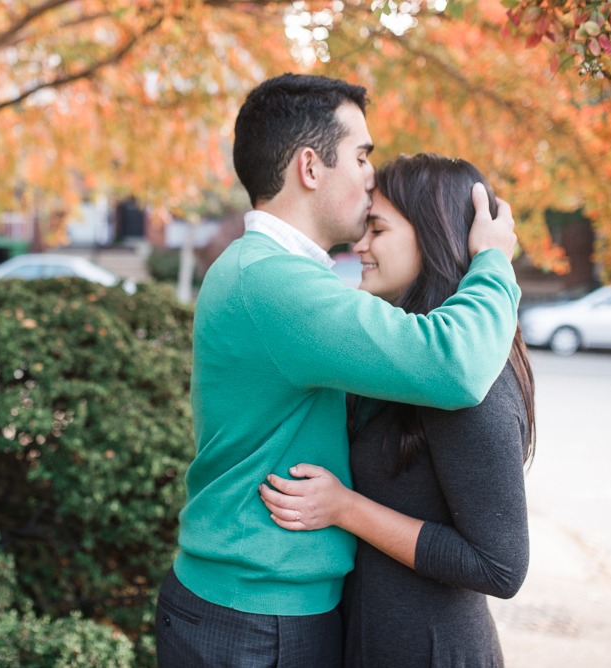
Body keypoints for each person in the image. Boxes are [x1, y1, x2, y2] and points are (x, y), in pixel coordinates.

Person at [155, 74, 520, 668]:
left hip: (255, 609)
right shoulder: (274, 284)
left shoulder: (268, 273)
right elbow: (454, 363)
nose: (371, 175)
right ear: (309, 167)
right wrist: (493, 261)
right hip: (257, 619)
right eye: (361, 155)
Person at [259, 153, 535, 668]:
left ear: (431, 238)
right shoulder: (402, 357)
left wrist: (345, 508)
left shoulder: (469, 381)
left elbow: (501, 566)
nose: (358, 244)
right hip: (367, 637)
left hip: (428, 649)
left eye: (377, 230)